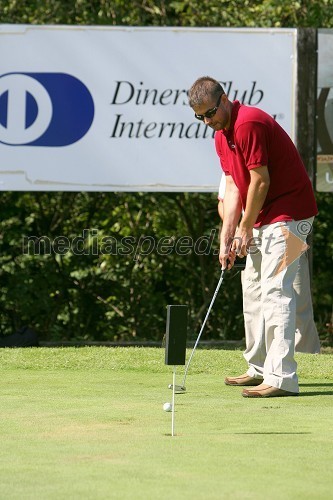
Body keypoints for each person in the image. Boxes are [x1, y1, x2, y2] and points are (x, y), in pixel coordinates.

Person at [188, 76, 318, 398]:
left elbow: (260, 182)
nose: (208, 121)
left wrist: (245, 229)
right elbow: (233, 187)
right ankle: (258, 367)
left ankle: (282, 377)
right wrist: (227, 235)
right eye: (201, 117)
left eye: (211, 113)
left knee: (276, 290)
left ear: (225, 99)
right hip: (263, 216)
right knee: (254, 289)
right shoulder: (221, 136)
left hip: (292, 216)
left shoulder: (249, 123)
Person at [217, 174, 321, 355]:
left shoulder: (274, 152)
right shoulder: (232, 161)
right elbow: (224, 201)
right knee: (255, 297)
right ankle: (259, 364)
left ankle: (306, 360)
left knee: (297, 298)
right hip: (252, 233)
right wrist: (238, 229)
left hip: (284, 225)